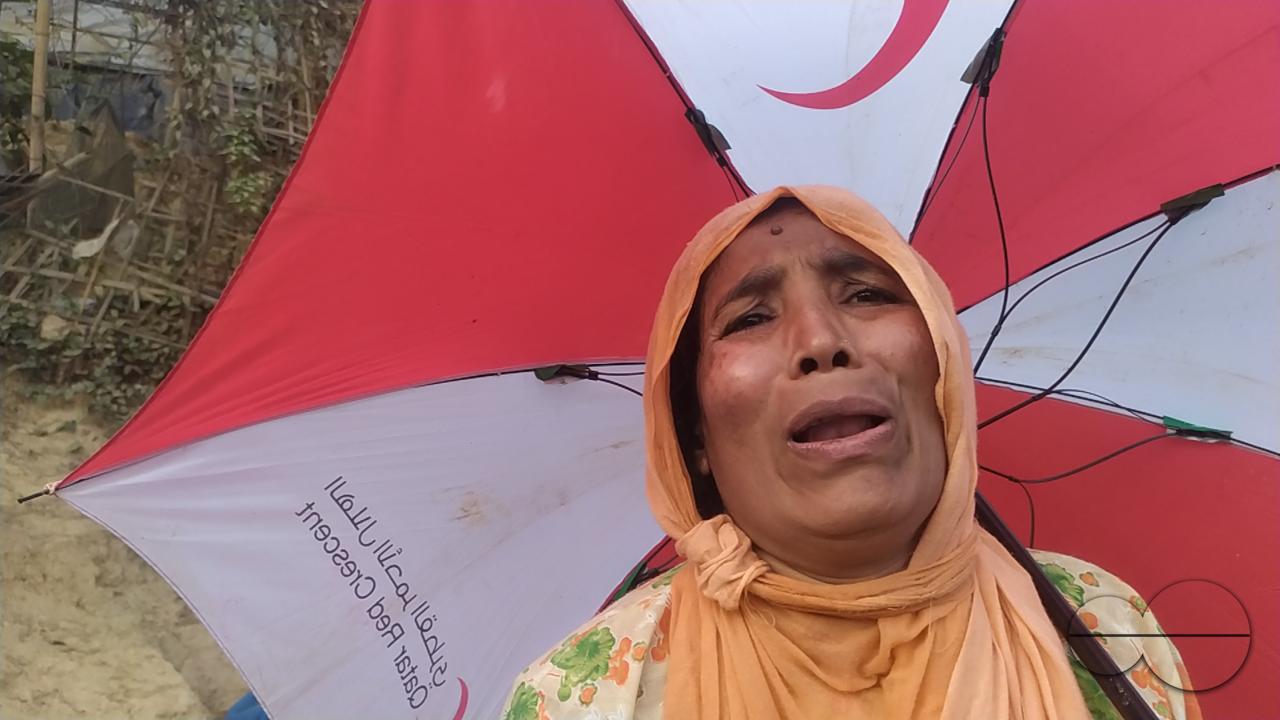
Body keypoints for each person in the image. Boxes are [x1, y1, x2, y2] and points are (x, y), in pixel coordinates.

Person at [502, 187, 1201, 720]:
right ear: (694, 438)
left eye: (867, 294)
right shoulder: (590, 696)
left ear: (944, 376)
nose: (820, 340)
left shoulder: (1103, 625)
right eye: (750, 318)